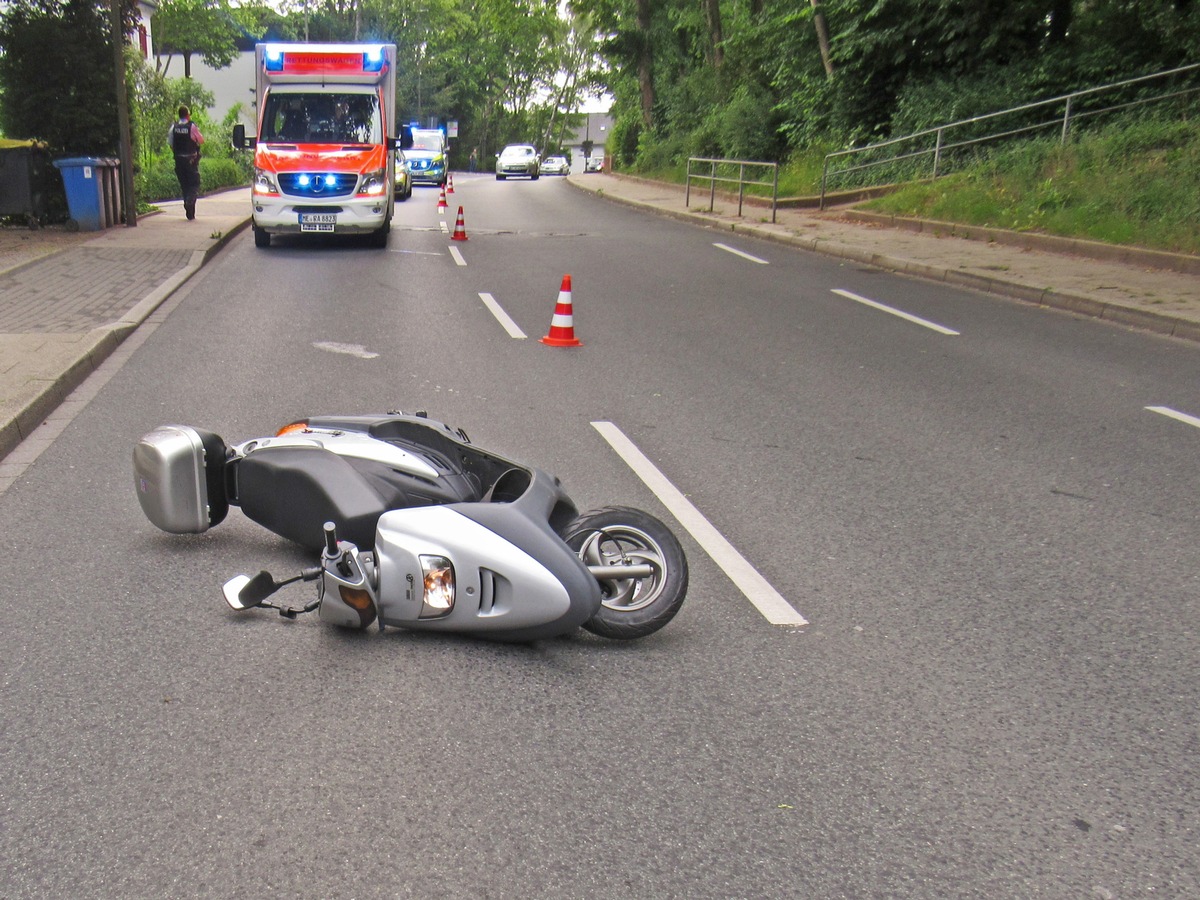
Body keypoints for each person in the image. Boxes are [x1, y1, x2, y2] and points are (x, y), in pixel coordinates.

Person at [169, 105, 205, 220]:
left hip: (178, 160)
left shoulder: (173, 127)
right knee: (194, 184)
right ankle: (189, 202)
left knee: (184, 185)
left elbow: (171, 144)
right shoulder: (191, 127)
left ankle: (190, 213)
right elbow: (201, 140)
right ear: (188, 115)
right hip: (191, 160)